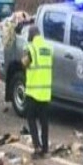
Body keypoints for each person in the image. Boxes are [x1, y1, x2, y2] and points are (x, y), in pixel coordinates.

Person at [21, 24, 53, 156]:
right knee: (44, 122)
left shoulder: (31, 48)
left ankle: (37, 146)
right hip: (45, 92)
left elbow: (24, 63)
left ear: (32, 35)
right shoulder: (48, 48)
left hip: (33, 91)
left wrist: (24, 56)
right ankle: (45, 148)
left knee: (31, 119)